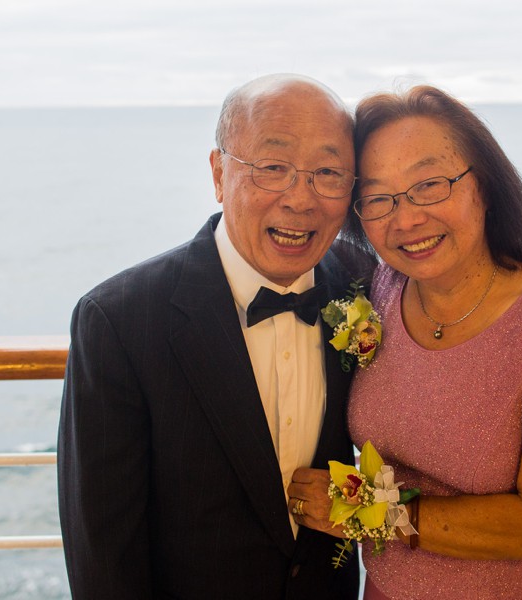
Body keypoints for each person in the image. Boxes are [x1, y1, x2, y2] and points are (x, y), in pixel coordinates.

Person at [289, 86, 522, 599]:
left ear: (484, 184)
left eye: (429, 185)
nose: (406, 219)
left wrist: (369, 511)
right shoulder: (382, 288)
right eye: (378, 199)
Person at [57, 74, 371, 599]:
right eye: (272, 167)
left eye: (328, 173)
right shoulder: (119, 320)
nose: (301, 199)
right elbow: (103, 549)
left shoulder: (367, 285)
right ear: (219, 173)